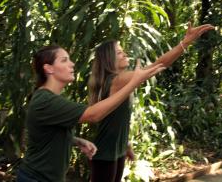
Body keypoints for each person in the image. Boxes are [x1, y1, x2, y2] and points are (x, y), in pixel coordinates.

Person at [16, 45, 165, 182]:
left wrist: (76, 141)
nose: (72, 64)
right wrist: (134, 83)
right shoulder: (45, 100)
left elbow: (46, 134)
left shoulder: (50, 98)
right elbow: (93, 115)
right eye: (64, 60)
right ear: (49, 68)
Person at [88, 23, 215, 182]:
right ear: (108, 59)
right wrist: (186, 42)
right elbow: (158, 65)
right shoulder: (117, 80)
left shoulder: (121, 80)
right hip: (105, 153)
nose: (125, 54)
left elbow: (117, 120)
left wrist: (126, 144)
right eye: (119, 52)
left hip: (116, 150)